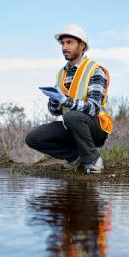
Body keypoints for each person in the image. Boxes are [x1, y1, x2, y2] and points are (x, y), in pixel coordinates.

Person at [25, 24, 112, 174]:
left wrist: (66, 101)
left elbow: (93, 108)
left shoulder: (95, 70)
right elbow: (55, 112)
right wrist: (54, 100)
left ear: (82, 45)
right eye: (63, 43)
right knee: (33, 137)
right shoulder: (61, 74)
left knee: (72, 116)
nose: (64, 47)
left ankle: (93, 160)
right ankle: (74, 157)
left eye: (69, 42)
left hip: (96, 127)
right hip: (71, 124)